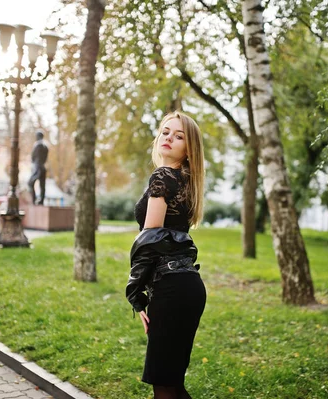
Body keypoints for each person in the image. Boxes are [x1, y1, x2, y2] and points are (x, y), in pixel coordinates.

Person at [126, 111, 206, 399]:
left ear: (189, 149)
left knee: (164, 387)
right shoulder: (186, 181)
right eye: (166, 131)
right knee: (173, 383)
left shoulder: (162, 176)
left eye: (179, 136)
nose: (169, 138)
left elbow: (150, 240)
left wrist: (136, 295)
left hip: (171, 288)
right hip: (189, 288)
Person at [27, 131, 49, 205]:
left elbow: (33, 157)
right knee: (42, 185)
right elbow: (45, 158)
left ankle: (34, 200)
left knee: (30, 183)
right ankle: (41, 201)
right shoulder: (46, 146)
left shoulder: (37, 145)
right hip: (43, 167)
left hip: (37, 167)